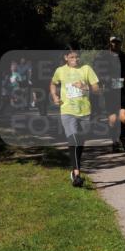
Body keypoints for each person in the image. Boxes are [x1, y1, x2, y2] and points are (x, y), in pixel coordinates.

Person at [50, 47, 100, 187]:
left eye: (77, 57)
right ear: (66, 57)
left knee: (80, 142)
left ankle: (74, 171)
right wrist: (54, 96)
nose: (75, 60)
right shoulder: (60, 70)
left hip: (85, 112)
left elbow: (97, 89)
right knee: (73, 139)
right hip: (67, 111)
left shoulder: (86, 69)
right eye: (72, 57)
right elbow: (53, 84)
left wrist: (85, 87)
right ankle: (77, 174)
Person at [103, 35, 125, 152]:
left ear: (120, 44)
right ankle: (114, 141)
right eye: (113, 42)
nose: (115, 44)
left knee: (124, 118)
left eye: (117, 42)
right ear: (109, 43)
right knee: (112, 119)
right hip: (109, 90)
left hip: (121, 88)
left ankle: (122, 136)